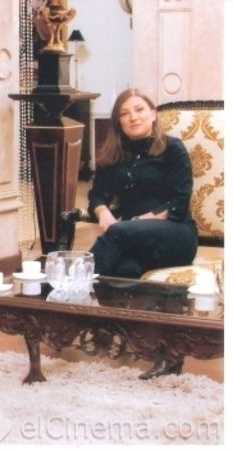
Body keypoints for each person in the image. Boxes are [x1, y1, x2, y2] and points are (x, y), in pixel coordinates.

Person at [87, 88, 198, 379]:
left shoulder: (172, 149)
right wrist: (104, 212)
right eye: (124, 113)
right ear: (118, 122)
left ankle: (68, 294)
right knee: (126, 270)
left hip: (175, 234)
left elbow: (179, 203)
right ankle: (161, 355)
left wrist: (134, 223)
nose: (132, 117)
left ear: (153, 114)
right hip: (133, 238)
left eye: (139, 109)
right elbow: (97, 195)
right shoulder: (114, 156)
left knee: (118, 235)